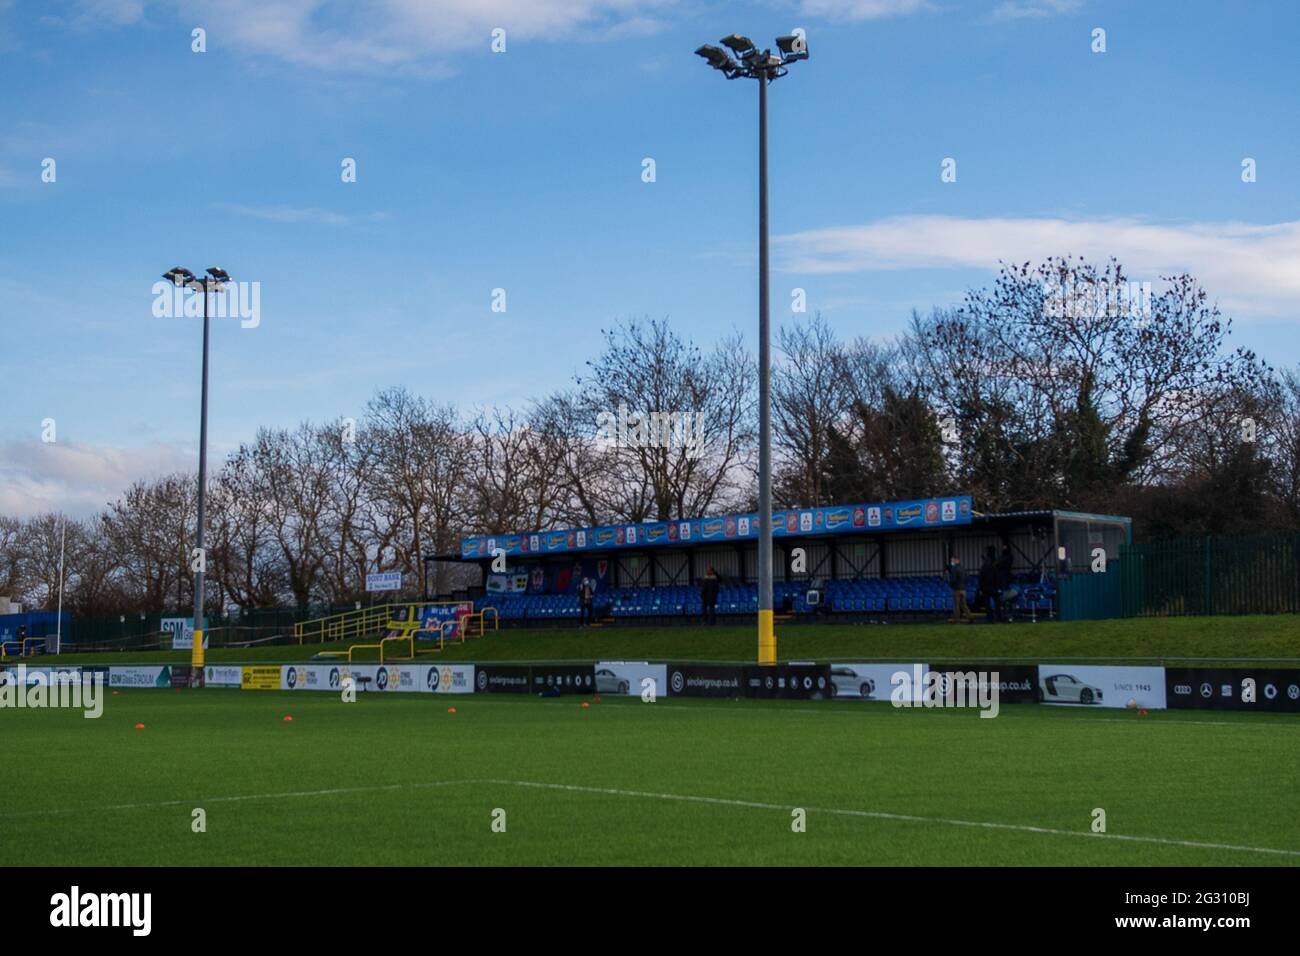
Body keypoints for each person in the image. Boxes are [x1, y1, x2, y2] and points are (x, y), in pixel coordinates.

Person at [946, 556, 972, 623]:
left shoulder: (954, 569)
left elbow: (953, 579)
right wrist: (964, 585)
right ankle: (969, 617)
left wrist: (951, 585)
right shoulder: (963, 568)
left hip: (957, 589)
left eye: (953, 560)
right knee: (964, 605)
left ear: (956, 560)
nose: (952, 562)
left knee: (956, 605)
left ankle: (956, 619)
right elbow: (967, 578)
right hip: (963, 589)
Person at [978, 546, 999, 622]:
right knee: (997, 603)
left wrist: (980, 588)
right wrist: (997, 587)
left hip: (985, 588)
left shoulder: (983, 568)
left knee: (987, 604)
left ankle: (989, 618)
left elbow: (980, 579)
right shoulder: (994, 568)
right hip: (993, 588)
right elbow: (997, 578)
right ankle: (998, 616)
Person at [996, 544, 1016, 623]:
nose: (1003, 549)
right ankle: (1004, 613)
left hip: (1006, 579)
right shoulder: (1002, 557)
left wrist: (999, 563)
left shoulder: (1009, 557)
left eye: (1005, 547)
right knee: (1002, 597)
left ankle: (1008, 614)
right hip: (1001, 579)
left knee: (1006, 597)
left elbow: (1001, 563)